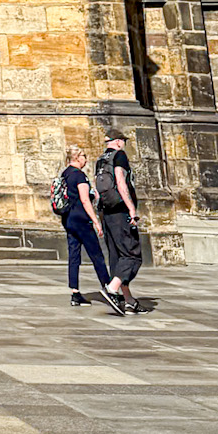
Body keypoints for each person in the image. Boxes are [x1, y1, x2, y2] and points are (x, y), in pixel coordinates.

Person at [58, 147, 126, 313]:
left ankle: (75, 293)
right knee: (97, 255)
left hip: (68, 219)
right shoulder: (79, 175)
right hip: (82, 219)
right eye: (84, 156)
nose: (86, 160)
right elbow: (84, 200)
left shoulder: (65, 174)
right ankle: (110, 289)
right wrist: (96, 221)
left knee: (74, 255)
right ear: (77, 157)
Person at [94, 127, 142, 311]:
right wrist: (131, 209)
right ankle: (112, 289)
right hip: (120, 211)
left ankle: (128, 301)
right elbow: (121, 182)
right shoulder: (119, 155)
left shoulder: (100, 160)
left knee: (117, 256)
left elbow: (98, 191)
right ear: (119, 141)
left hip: (107, 213)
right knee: (132, 255)